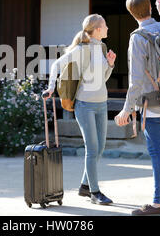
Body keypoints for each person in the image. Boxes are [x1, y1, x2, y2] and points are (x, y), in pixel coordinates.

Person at [115, 0, 160, 215]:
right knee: (159, 147)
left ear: (131, 13)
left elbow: (135, 80)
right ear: (150, 9)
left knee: (155, 150)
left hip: (150, 101)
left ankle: (157, 202)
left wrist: (126, 109)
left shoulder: (137, 37)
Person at [42, 14, 116, 205]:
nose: (108, 28)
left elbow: (103, 78)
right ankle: (95, 192)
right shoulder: (82, 50)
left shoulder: (102, 47)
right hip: (85, 105)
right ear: (97, 29)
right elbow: (56, 64)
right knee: (92, 150)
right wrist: (51, 88)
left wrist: (110, 64)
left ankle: (84, 186)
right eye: (105, 25)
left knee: (99, 149)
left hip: (102, 104)